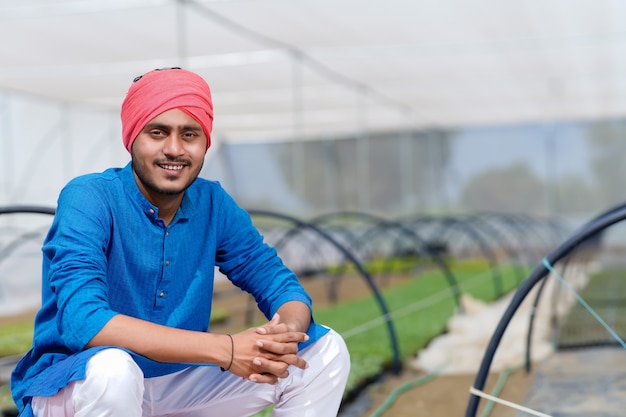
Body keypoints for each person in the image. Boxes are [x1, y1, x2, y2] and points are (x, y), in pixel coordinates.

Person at [11, 67, 350, 417]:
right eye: (157, 132)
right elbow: (84, 320)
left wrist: (284, 336)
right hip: (79, 383)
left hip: (176, 382)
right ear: (132, 138)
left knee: (325, 352)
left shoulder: (212, 203)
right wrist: (227, 349)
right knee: (115, 371)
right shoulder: (90, 197)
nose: (174, 149)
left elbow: (276, 280)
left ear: (205, 143)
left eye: (190, 134)